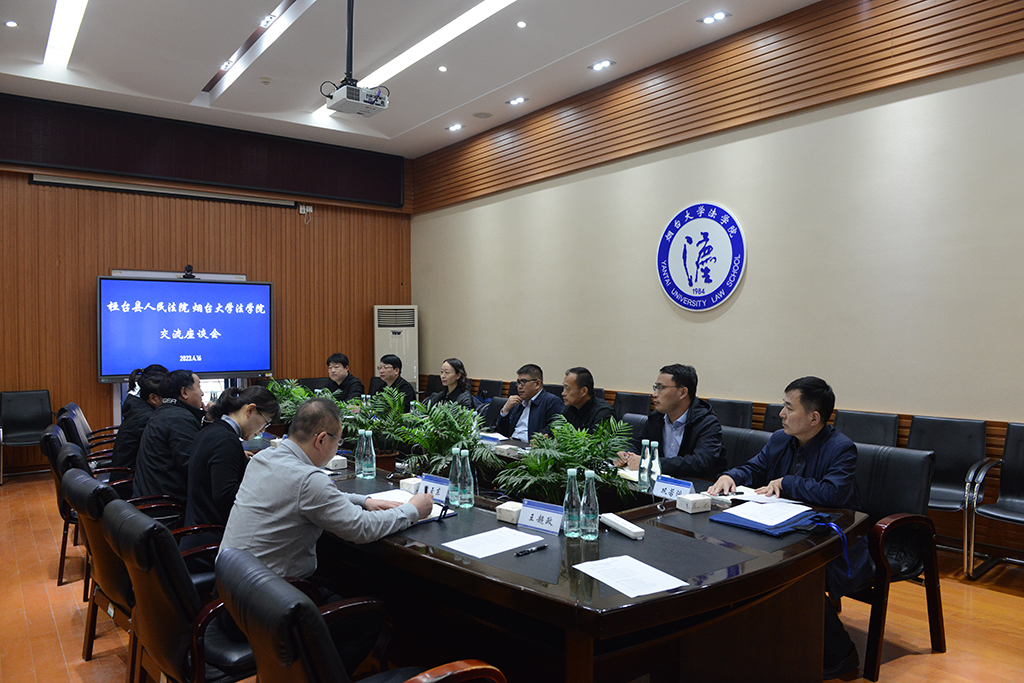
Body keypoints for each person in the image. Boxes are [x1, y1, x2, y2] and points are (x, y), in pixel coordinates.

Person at [218, 398, 433, 675]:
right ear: (321, 439)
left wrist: (364, 500)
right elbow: (361, 529)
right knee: (368, 619)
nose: (336, 448)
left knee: (336, 583)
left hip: (231, 598)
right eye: (337, 441)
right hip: (265, 614)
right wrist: (412, 510)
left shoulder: (265, 458)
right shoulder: (308, 479)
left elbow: (305, 494)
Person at [707, 376, 869, 678]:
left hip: (833, 539)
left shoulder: (841, 448)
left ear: (814, 418)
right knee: (738, 556)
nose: (781, 414)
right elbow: (754, 468)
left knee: (796, 573)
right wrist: (731, 476)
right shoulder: (781, 439)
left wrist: (787, 482)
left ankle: (842, 654)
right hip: (784, 529)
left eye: (788, 407)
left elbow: (833, 493)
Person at [181, 386, 281, 560]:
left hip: (198, 534)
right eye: (266, 421)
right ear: (250, 410)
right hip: (213, 545)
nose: (263, 430)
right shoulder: (226, 440)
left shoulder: (211, 431)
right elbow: (226, 497)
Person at [615, 364, 724, 479]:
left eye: (661, 388)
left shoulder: (707, 422)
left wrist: (651, 463)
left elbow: (699, 463)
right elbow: (639, 444)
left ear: (682, 392)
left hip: (697, 486)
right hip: (659, 482)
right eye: (655, 388)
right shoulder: (657, 417)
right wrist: (626, 454)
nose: (654, 394)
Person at [131, 370, 206, 500]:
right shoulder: (179, 419)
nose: (202, 393)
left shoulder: (164, 412)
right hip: (168, 504)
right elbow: (192, 466)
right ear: (184, 392)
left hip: (152, 497)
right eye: (198, 386)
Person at [111, 367, 165, 470]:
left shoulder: (137, 407)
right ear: (153, 398)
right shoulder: (146, 418)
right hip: (129, 476)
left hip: (130, 471)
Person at [496, 364, 564, 441]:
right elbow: (502, 433)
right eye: (518, 382)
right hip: (511, 443)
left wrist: (538, 438)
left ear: (537, 384)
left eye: (523, 382)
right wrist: (505, 410)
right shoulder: (518, 402)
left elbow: (554, 428)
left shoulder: (551, 401)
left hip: (530, 446)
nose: (519, 386)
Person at [561, 367, 613, 433]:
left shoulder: (603, 413)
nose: (563, 393)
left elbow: (594, 438)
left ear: (584, 391)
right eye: (564, 388)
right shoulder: (569, 409)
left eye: (567, 389)